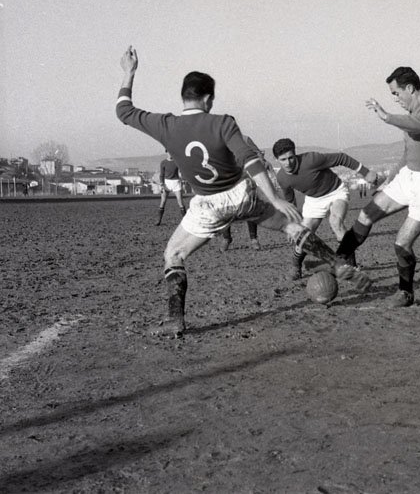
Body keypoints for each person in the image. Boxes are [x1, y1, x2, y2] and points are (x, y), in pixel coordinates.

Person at [116, 46, 369, 337]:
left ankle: (175, 319)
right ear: (208, 99)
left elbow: (123, 111)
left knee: (173, 253)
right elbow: (250, 160)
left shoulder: (165, 125)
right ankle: (337, 263)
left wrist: (129, 72)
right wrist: (274, 198)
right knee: (291, 227)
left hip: (208, 206)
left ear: (184, 97)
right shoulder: (222, 122)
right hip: (242, 195)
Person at [334, 66, 420, 308]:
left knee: (402, 243)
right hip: (409, 176)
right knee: (366, 214)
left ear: (410, 88)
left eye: (396, 93)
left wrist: (387, 117)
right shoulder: (411, 116)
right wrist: (390, 180)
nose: (395, 99)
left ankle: (405, 292)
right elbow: (408, 154)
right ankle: (339, 259)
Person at [272, 138, 380, 280]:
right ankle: (296, 266)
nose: (288, 163)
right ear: (277, 160)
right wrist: (292, 222)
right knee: (303, 234)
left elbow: (341, 157)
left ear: (295, 154)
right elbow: (290, 200)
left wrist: (366, 172)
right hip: (314, 199)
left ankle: (351, 266)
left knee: (335, 222)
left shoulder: (311, 159)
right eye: (283, 159)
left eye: (291, 157)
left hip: (335, 191)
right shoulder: (282, 178)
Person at [218, 136, 271, 251]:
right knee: (225, 208)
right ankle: (226, 238)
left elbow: (257, 153)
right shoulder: (219, 140)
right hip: (227, 180)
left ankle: (254, 239)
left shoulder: (245, 139)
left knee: (250, 208)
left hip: (245, 179)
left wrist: (260, 163)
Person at [156, 151, 186, 225]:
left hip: (176, 182)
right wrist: (162, 184)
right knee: (163, 201)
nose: (170, 154)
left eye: (171, 152)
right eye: (168, 152)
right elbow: (161, 175)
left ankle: (186, 220)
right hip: (167, 183)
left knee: (180, 201)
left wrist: (183, 180)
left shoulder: (177, 161)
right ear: (166, 152)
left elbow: (182, 172)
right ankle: (158, 220)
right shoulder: (163, 162)